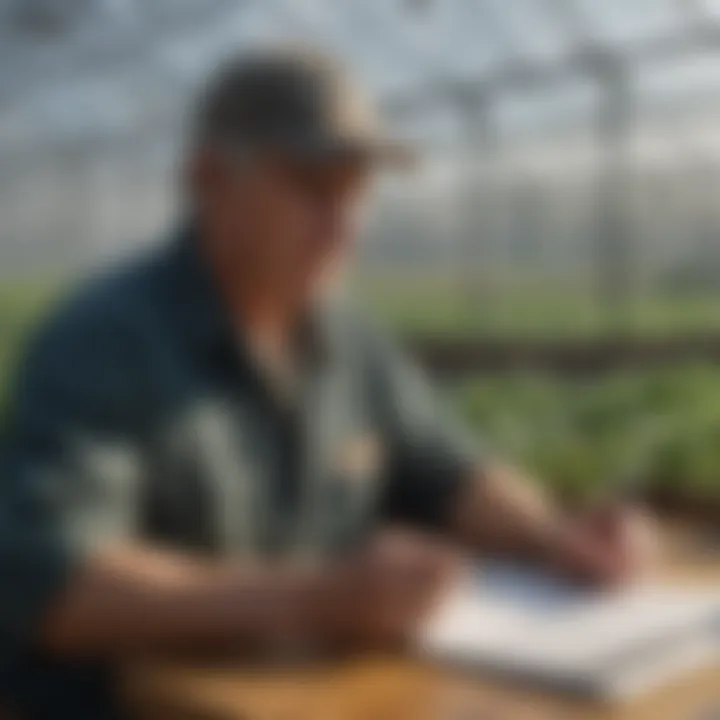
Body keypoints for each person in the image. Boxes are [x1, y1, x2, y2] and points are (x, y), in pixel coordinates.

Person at [0, 47, 654, 719]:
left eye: (357, 193)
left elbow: (452, 472)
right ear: (208, 179)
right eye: (313, 188)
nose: (344, 228)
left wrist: (556, 539)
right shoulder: (105, 340)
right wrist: (319, 600)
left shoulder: (351, 340)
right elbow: (55, 587)